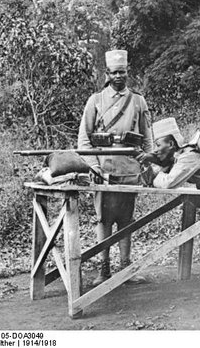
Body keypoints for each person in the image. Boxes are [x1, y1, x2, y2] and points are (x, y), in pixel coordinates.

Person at [78, 50, 153, 285]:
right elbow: (83, 140)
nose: (119, 76)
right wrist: (94, 167)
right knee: (104, 220)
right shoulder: (96, 100)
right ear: (107, 74)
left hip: (129, 168)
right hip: (104, 168)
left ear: (127, 73)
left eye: (123, 72)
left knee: (126, 220)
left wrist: (146, 162)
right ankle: (104, 269)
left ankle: (125, 269)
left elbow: (147, 137)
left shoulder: (138, 100)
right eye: (115, 72)